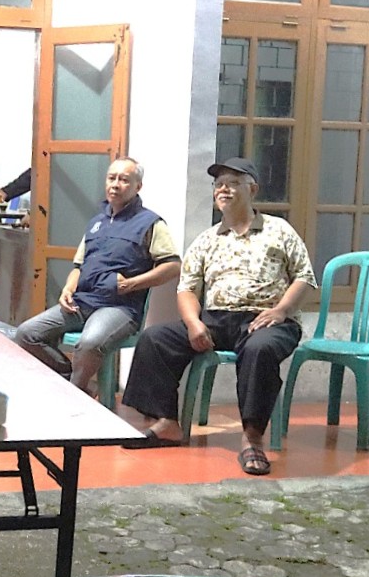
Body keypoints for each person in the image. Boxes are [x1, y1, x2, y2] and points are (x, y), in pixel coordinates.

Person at [121, 157, 317, 476]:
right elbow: (187, 289)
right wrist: (194, 323)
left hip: (266, 321)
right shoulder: (208, 239)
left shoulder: (278, 230)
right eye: (219, 184)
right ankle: (167, 422)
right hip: (216, 320)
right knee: (155, 338)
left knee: (260, 349)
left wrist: (281, 310)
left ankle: (252, 438)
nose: (223, 189)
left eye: (232, 183)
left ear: (252, 189)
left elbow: (305, 277)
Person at [15, 158, 180, 395]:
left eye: (124, 180)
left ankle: (73, 394)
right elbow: (78, 266)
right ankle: (74, 384)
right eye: (111, 178)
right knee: (26, 334)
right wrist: (68, 289)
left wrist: (132, 284)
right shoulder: (97, 222)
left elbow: (173, 266)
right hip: (82, 302)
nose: (116, 184)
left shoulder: (150, 223)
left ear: (138, 186)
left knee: (90, 343)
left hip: (119, 307)